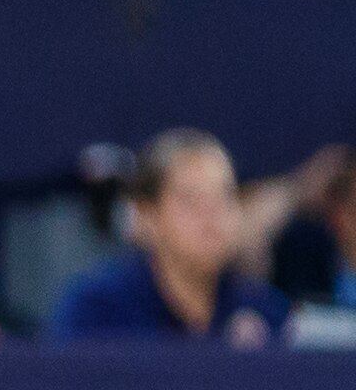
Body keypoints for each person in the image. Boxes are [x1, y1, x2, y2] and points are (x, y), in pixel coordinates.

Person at [48, 130, 293, 342]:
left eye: (224, 196)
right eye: (191, 200)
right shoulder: (97, 312)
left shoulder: (266, 311)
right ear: (147, 215)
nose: (211, 215)